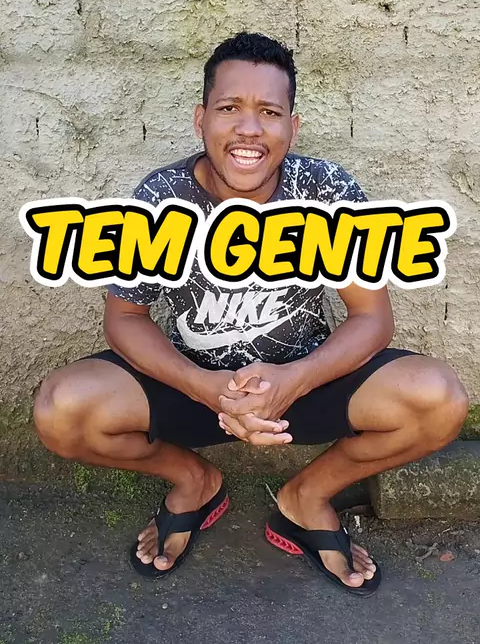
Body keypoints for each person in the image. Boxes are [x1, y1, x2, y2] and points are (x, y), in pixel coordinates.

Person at [33, 32, 469, 596]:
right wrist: (204, 387)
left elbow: (371, 317)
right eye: (229, 108)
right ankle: (193, 480)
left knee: (439, 400)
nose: (248, 129)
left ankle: (307, 497)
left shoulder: (325, 188)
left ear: (293, 126)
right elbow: (125, 319)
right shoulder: (162, 196)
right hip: (194, 387)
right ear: (200, 120)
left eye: (269, 111)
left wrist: (294, 379)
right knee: (61, 411)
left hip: (305, 384)